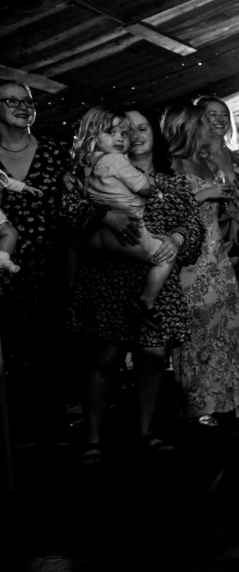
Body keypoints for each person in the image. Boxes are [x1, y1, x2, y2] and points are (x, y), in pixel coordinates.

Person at [67, 107, 202, 462]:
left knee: (153, 357)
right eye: (124, 129)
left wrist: (176, 237)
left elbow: (194, 228)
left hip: (157, 283)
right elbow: (66, 215)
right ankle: (92, 435)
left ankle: (146, 431)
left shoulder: (172, 182)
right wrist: (104, 215)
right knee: (106, 357)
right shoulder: (89, 172)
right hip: (109, 278)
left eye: (141, 128)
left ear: (154, 134)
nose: (133, 135)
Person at [169, 102, 239, 424]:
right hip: (191, 256)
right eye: (204, 123)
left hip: (218, 251)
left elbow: (236, 206)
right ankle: (203, 403)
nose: (210, 127)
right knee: (200, 329)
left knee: (232, 325)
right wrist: (202, 195)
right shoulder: (174, 162)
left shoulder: (208, 163)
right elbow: (162, 212)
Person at [0, 80, 70, 440]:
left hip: (55, 266)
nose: (23, 106)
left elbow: (75, 206)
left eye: (28, 100)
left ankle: (53, 428)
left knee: (55, 350)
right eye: (12, 100)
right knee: (13, 354)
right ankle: (19, 432)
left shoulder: (57, 151)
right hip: (6, 275)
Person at [71, 105, 174, 323]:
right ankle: (145, 302)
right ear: (93, 135)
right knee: (165, 258)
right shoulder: (117, 161)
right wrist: (152, 190)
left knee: (72, 245)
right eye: (112, 132)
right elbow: (144, 189)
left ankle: (68, 288)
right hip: (128, 235)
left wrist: (176, 236)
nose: (123, 138)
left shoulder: (87, 163)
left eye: (124, 133)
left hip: (99, 237)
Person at [195, 95, 239, 368]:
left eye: (223, 114)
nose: (219, 119)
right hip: (214, 242)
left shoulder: (235, 157)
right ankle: (217, 376)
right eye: (212, 114)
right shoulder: (195, 156)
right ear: (199, 119)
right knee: (216, 310)